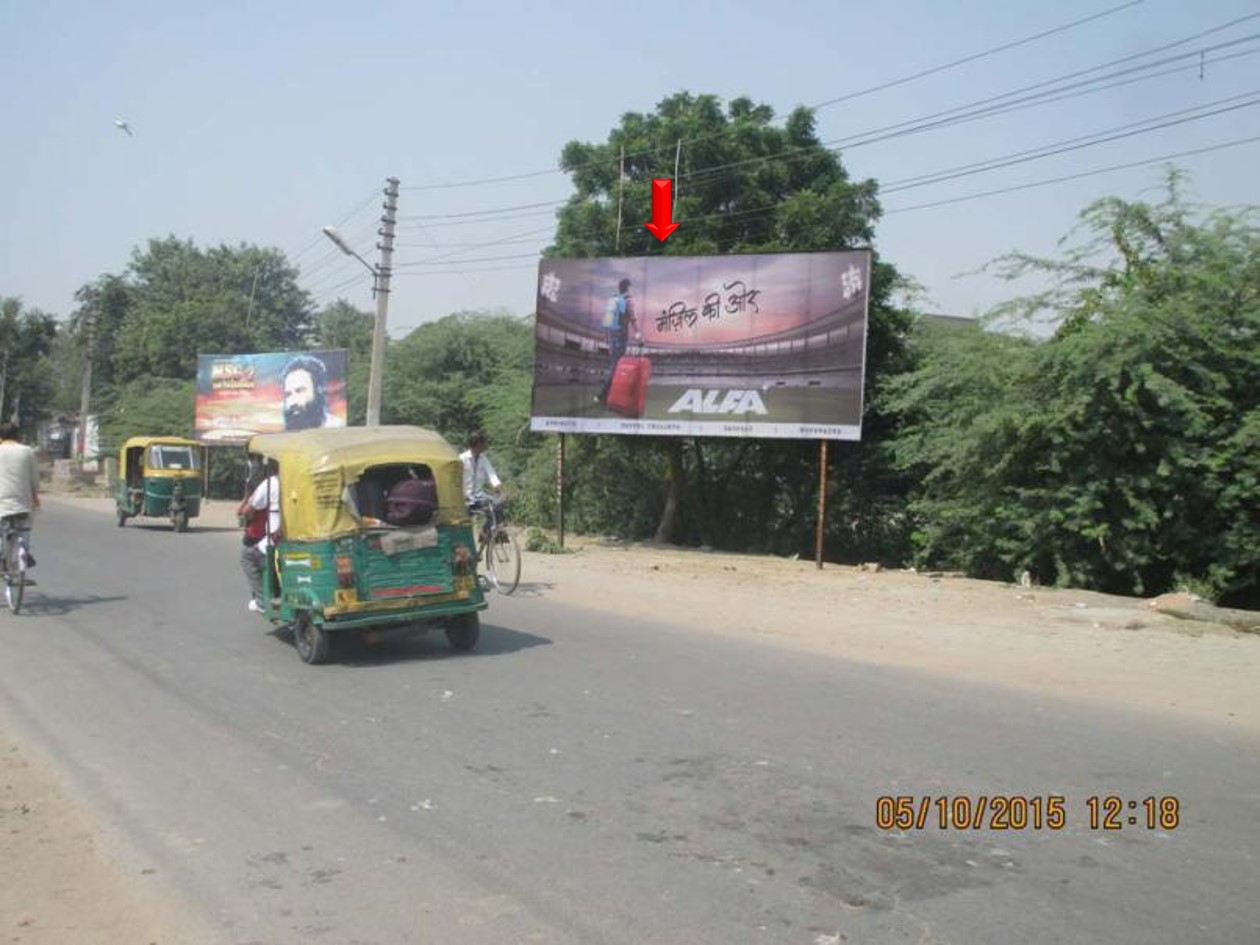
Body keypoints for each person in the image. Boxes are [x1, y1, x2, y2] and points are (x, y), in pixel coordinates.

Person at [236, 458, 280, 613]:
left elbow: (246, 511)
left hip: (276, 536)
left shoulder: (272, 483)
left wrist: (248, 502)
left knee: (247, 557)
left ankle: (262, 600)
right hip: (292, 534)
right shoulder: (298, 480)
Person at [0, 421, 40, 574]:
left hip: (1, 503)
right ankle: (24, 552)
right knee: (25, 529)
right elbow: (34, 480)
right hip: (22, 502)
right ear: (17, 436)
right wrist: (35, 498)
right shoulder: (27, 451)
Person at [597, 277, 641, 406]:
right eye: (630, 287)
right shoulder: (628, 299)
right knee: (616, 367)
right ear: (627, 287)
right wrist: (638, 333)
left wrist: (606, 336)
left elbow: (607, 319)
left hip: (611, 336)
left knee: (614, 366)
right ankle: (603, 395)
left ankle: (608, 395)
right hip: (621, 335)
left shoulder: (613, 299)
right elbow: (632, 318)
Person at [281, 354, 346, 430]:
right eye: (288, 394)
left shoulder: (338, 427)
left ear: (318, 390)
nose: (292, 402)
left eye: (299, 391)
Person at [458, 430, 504, 514]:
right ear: (478, 444)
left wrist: (502, 492)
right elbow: (455, 480)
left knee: (496, 506)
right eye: (484, 443)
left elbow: (492, 475)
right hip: (464, 499)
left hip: (479, 497)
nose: (486, 445)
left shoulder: (483, 459)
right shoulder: (462, 459)